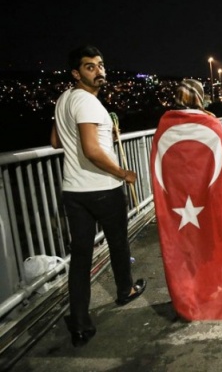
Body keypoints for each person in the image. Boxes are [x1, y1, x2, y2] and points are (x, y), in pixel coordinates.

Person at [50, 45, 146, 347]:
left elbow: (55, 142)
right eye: (90, 67)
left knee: (80, 259)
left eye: (101, 65)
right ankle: (125, 290)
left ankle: (79, 324)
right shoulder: (88, 103)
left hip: (73, 191)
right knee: (118, 243)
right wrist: (123, 174)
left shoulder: (64, 99)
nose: (99, 71)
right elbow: (91, 151)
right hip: (102, 189)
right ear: (76, 73)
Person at [150, 80, 222, 321]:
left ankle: (185, 297)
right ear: (199, 97)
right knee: (209, 244)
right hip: (208, 200)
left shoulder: (164, 124)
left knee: (182, 248)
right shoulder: (210, 123)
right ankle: (208, 289)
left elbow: (159, 164)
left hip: (177, 203)